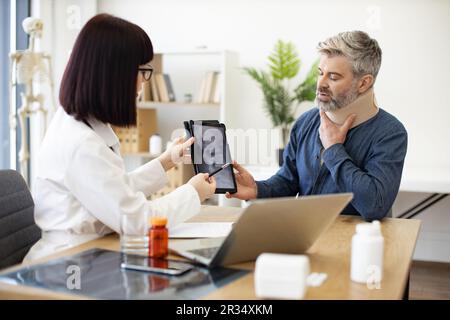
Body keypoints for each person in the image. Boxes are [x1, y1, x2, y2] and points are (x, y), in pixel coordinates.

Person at [24, 14, 216, 261]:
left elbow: (115, 189)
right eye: (143, 71)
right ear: (116, 74)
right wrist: (192, 192)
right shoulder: (82, 144)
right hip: (70, 265)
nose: (144, 82)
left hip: (91, 250)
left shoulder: (80, 123)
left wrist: (166, 161)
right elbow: (139, 221)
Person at [227, 31, 407, 221]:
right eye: (320, 73)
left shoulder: (390, 133)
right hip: (306, 235)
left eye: (334, 77)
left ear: (363, 83)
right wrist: (256, 189)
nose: (321, 83)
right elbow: (288, 182)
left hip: (358, 243)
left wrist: (333, 149)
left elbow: (374, 206)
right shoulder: (306, 122)